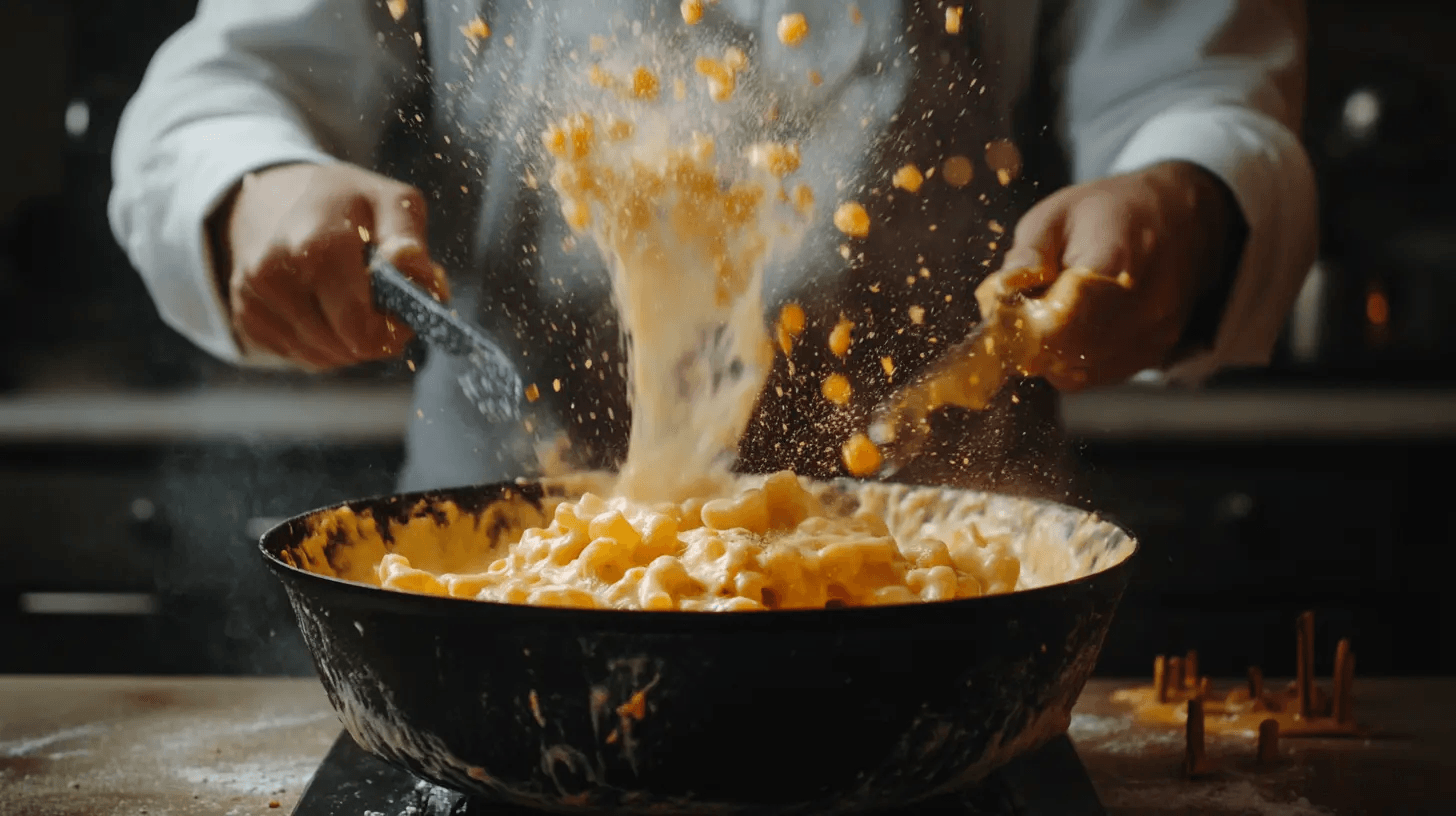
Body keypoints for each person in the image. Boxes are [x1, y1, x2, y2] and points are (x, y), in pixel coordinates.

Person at [110, 0, 1316, 501]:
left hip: (944, 570)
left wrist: (1181, 200)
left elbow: (1192, 74)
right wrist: (252, 192)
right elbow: (235, 79)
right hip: (506, 557)